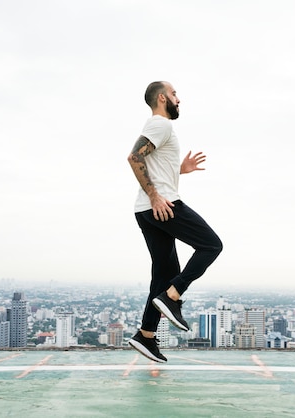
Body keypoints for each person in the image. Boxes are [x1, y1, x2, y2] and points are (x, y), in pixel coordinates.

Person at [127, 81, 223, 362]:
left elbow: (155, 165)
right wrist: (156, 196)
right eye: (174, 94)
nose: (178, 99)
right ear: (162, 97)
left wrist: (181, 169)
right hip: (162, 205)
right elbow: (134, 157)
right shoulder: (161, 124)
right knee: (211, 245)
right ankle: (173, 296)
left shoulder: (161, 129)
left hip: (146, 209)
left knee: (163, 273)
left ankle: (145, 336)